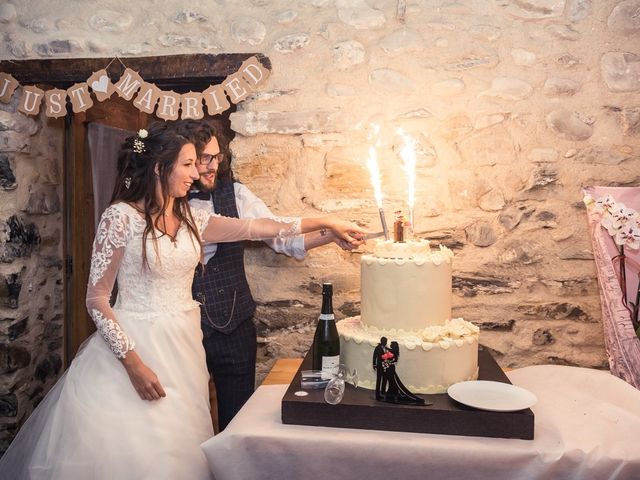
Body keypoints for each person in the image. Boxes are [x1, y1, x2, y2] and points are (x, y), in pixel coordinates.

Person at [0, 122, 367, 479]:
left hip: (185, 348)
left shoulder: (195, 218)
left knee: (181, 450)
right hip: (136, 348)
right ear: (160, 167)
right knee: (141, 450)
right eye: (189, 164)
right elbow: (96, 299)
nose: (197, 173)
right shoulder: (120, 218)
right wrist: (133, 364)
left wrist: (328, 223)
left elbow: (263, 226)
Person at [172, 119, 361, 430]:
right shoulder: (164, 204)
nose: (212, 167)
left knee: (238, 421)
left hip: (234, 327)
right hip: (180, 331)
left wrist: (330, 234)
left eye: (217, 157)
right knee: (183, 422)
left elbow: (278, 234)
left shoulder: (236, 194)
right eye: (203, 159)